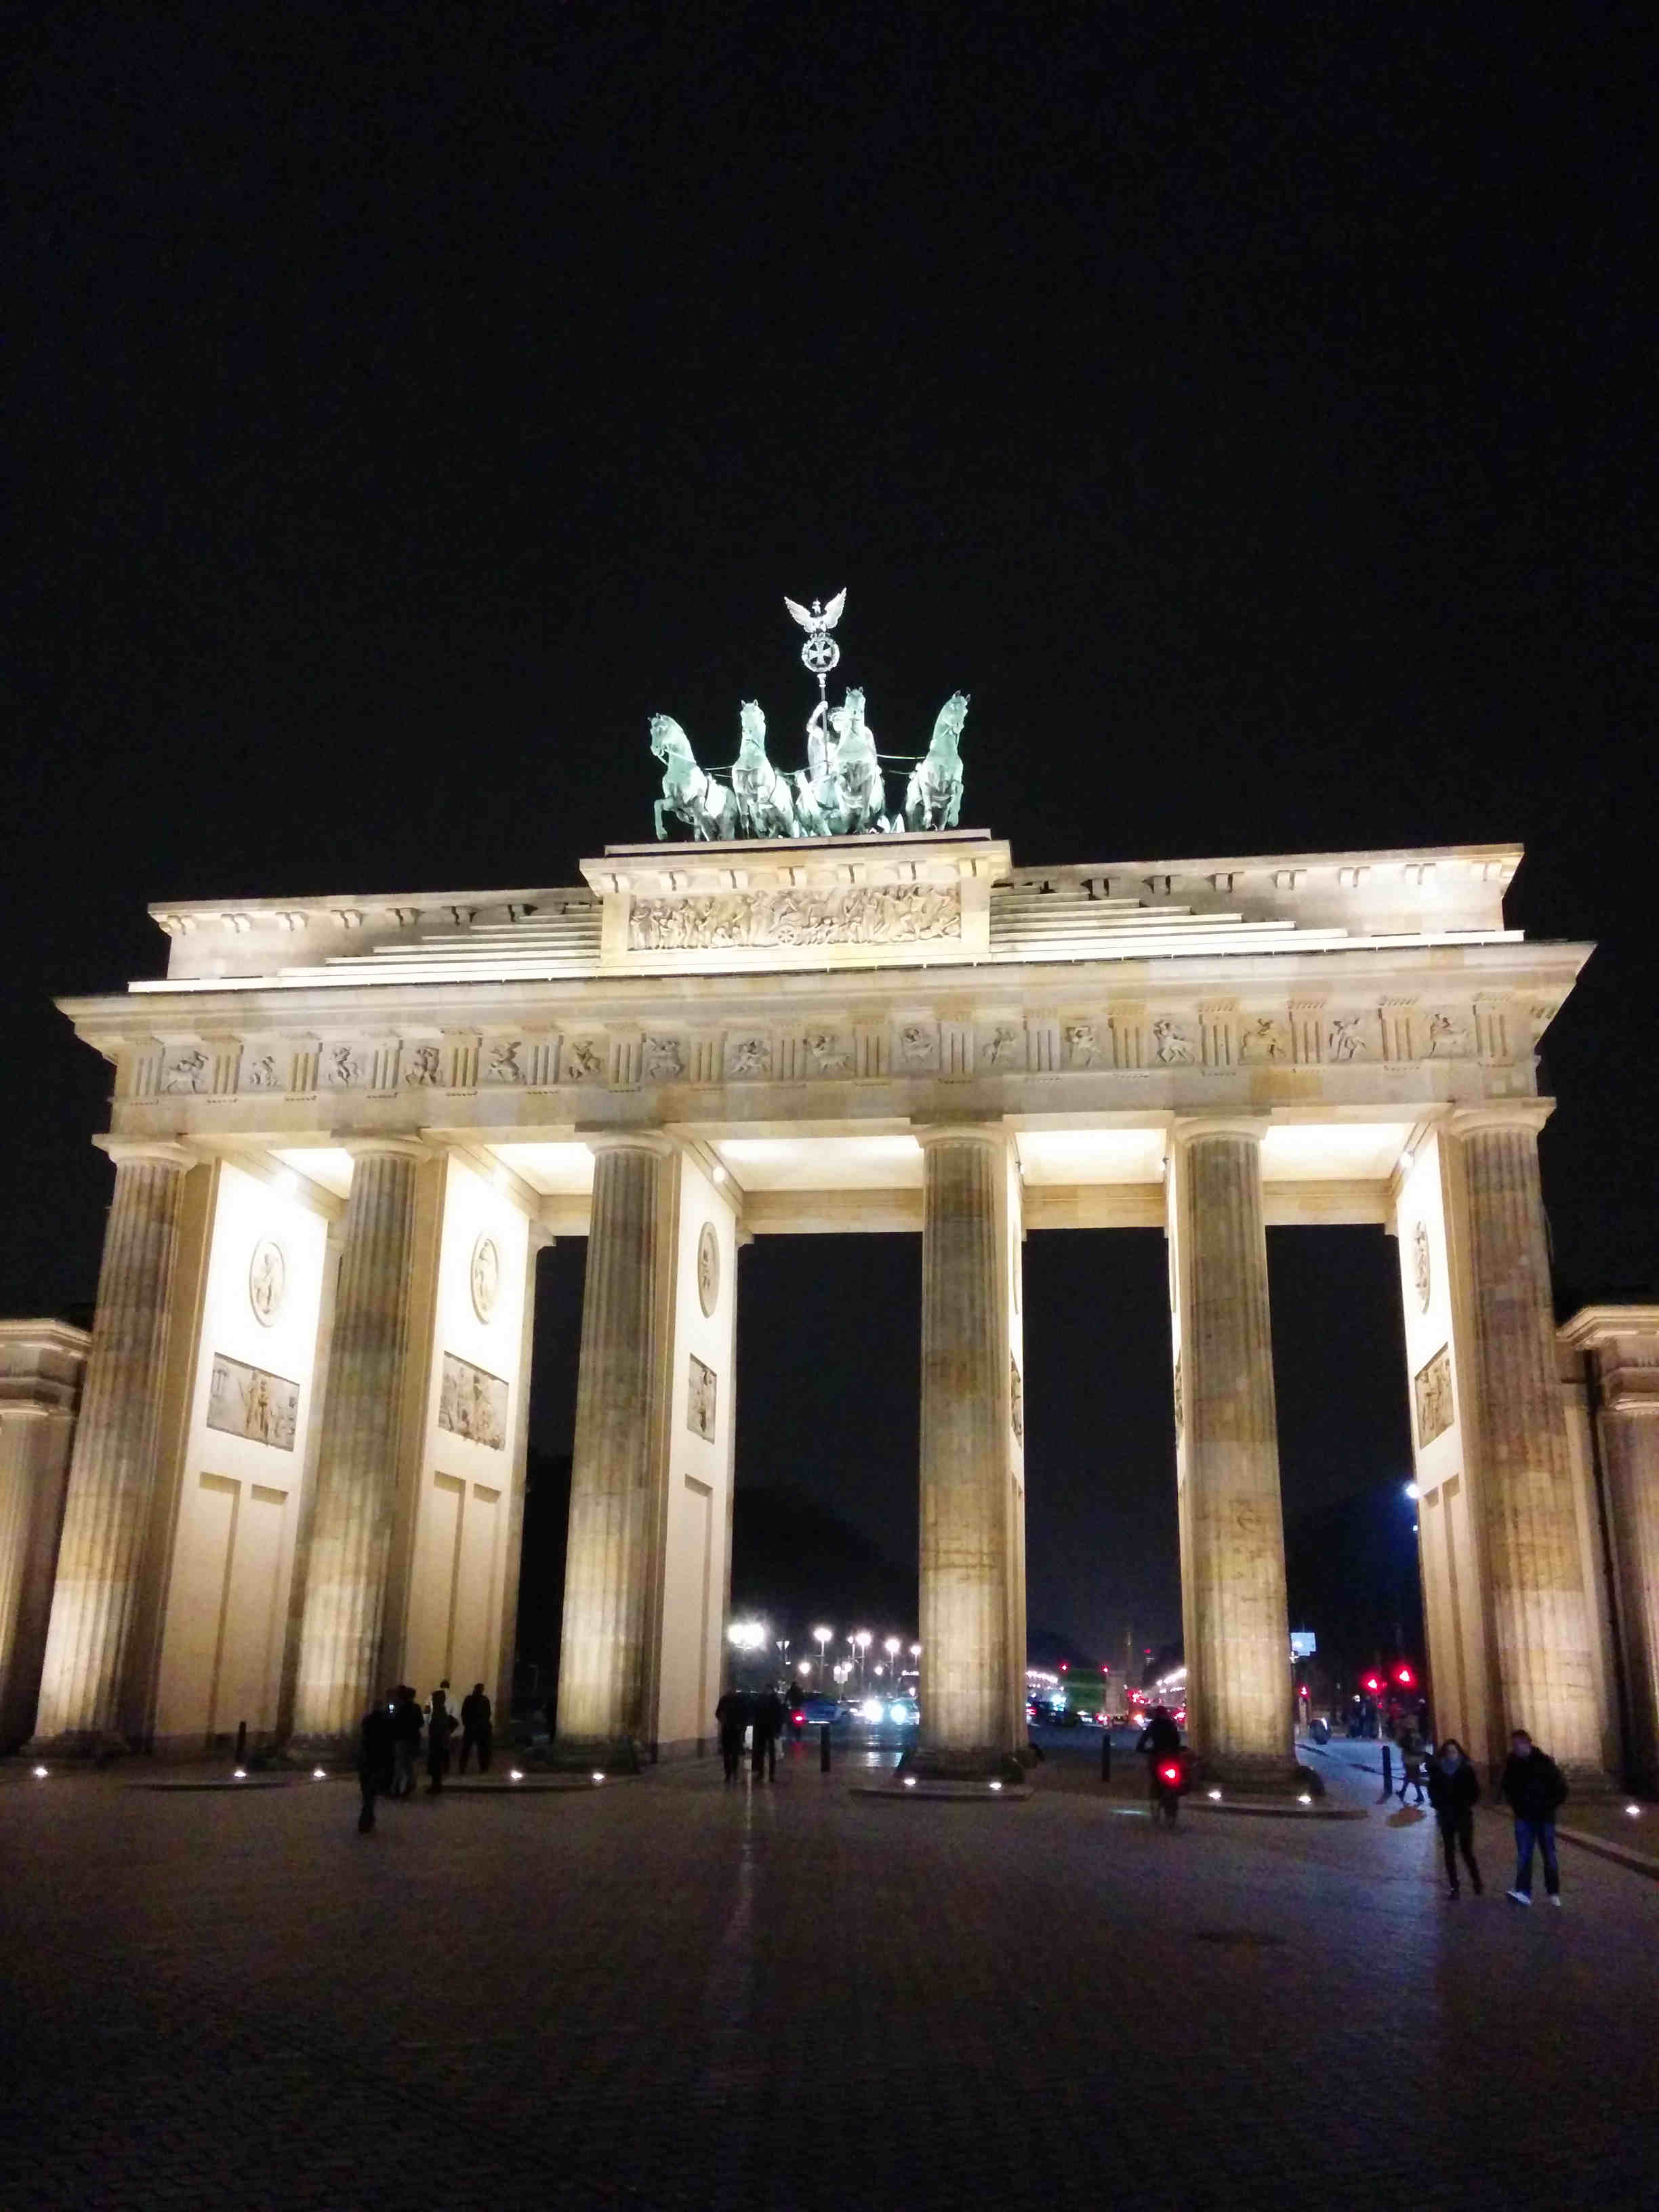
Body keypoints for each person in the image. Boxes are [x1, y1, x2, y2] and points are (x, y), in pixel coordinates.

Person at [1501, 1727, 1568, 1906]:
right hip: (1524, 1817)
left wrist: (1548, 1806)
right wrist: (1516, 1806)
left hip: (1544, 1817)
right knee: (1524, 1855)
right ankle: (1523, 1892)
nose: (1514, 1748)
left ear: (1527, 1744)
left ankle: (1553, 1892)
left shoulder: (1545, 1763)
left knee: (1549, 1855)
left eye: (1517, 1745)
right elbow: (1507, 1787)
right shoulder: (1512, 1764)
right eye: (1513, 1745)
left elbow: (1561, 1788)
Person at [1425, 1738, 1483, 1896]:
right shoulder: (1438, 1771)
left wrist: (1466, 1803)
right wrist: (1438, 1804)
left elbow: (1475, 1791)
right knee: (1449, 1851)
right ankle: (1454, 1887)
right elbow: (1432, 1790)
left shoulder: (1466, 1769)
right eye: (1448, 1752)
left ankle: (1477, 1881)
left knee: (1466, 1851)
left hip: (1463, 1815)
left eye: (1454, 1752)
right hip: (1446, 1816)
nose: (1451, 1755)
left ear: (1459, 1753)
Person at [356, 1690, 396, 1833]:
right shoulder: (386, 1720)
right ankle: (367, 1818)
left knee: (367, 1792)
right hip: (378, 1760)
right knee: (371, 1793)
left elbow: (364, 1737)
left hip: (367, 1758)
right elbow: (390, 1738)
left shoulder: (368, 1720)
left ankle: (366, 1818)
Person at [391, 1683, 423, 1799]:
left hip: (401, 1739)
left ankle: (396, 1789)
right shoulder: (417, 1707)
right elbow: (421, 1723)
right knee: (410, 1765)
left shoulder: (398, 1707)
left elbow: (392, 1717)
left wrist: (391, 1704)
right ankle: (411, 1784)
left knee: (399, 1765)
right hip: (413, 1739)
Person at [715, 1687, 750, 1782]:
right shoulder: (732, 1700)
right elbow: (718, 1713)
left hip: (732, 1729)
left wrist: (724, 1721)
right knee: (730, 1754)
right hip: (732, 1729)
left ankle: (731, 1775)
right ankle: (731, 1775)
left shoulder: (730, 1700)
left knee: (731, 1754)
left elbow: (718, 1713)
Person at [426, 1681, 455, 1794]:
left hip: (437, 1742)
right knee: (437, 1765)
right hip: (438, 1741)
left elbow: (439, 1727)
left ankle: (436, 1787)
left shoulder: (439, 1712)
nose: (432, 1701)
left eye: (434, 1699)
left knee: (436, 1766)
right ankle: (436, 1785)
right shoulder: (441, 1710)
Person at [752, 1683, 784, 1781]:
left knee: (769, 1752)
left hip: (768, 1729)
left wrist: (778, 1729)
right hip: (766, 1729)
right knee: (764, 1752)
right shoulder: (770, 1700)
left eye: (767, 1690)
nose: (766, 1691)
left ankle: (768, 1774)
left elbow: (779, 1716)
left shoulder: (769, 1700)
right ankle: (765, 1773)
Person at [458, 1682, 493, 1774]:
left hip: (474, 1728)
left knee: (469, 1749)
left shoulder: (471, 1699)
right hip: (477, 1728)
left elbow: (464, 1713)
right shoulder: (483, 1700)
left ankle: (465, 1768)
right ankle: (482, 1768)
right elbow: (488, 1714)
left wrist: (467, 1724)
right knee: (477, 1749)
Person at [1396, 1723, 1428, 1805]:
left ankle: (1418, 1795)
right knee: (1411, 1776)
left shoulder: (1407, 1736)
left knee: (1411, 1776)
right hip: (1416, 1760)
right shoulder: (1418, 1735)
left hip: (1409, 1759)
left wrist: (1399, 1735)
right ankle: (1404, 1792)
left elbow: (1400, 1744)